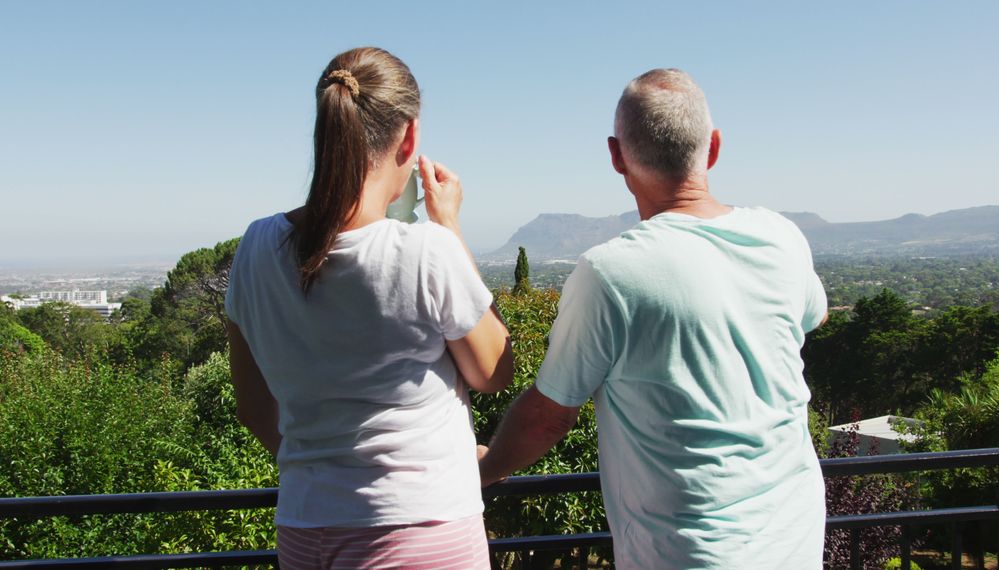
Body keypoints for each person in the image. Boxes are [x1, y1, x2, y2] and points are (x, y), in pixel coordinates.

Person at [478, 69, 828, 568]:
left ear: (616, 155)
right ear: (714, 148)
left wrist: (488, 466)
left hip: (690, 553)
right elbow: (816, 314)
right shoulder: (781, 236)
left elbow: (551, 415)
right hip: (795, 538)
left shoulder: (611, 273)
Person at [226, 47, 513, 570]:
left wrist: (329, 472)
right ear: (409, 137)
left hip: (305, 528)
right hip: (423, 529)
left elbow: (252, 406)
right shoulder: (425, 250)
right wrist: (449, 226)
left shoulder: (256, 247)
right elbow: (494, 370)